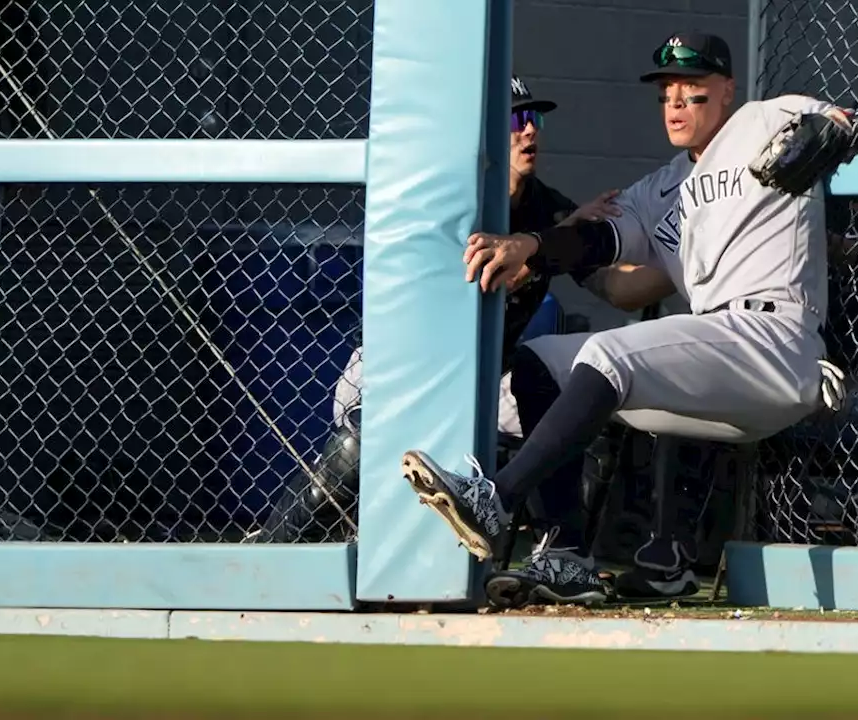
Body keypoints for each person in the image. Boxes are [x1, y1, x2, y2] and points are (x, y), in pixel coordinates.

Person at [400, 30, 858, 608]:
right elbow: (598, 246)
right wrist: (533, 244)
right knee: (544, 361)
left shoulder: (773, 118)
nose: (675, 101)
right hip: (715, 351)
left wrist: (857, 132)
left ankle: (494, 500)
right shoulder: (662, 187)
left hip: (776, 339)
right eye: (666, 89)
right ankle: (567, 555)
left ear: (726, 89)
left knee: (607, 353)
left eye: (692, 88)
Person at [249, 75, 622, 543]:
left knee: (580, 420)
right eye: (517, 120)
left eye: (536, 119)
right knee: (364, 444)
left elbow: (607, 280)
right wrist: (556, 238)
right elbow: (470, 291)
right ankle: (276, 546)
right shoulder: (451, 200)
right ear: (484, 132)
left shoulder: (548, 208)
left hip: (490, 384)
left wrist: (634, 244)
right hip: (402, 369)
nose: (530, 131)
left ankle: (560, 556)